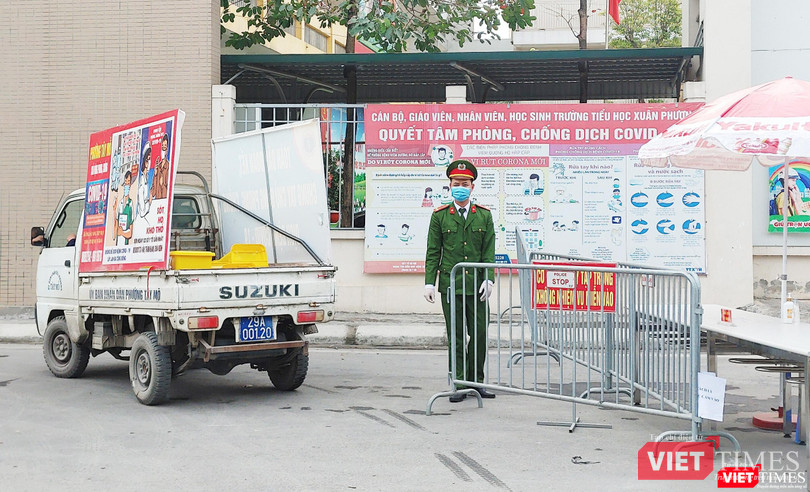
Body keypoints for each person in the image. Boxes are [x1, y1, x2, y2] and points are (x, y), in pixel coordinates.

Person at [424, 160, 496, 403]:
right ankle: (459, 383)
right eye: (457, 184)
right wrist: (429, 282)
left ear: (472, 187)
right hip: (450, 286)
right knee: (455, 335)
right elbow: (433, 251)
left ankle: (476, 382)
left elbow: (488, 252)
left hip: (476, 287)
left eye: (465, 184)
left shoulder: (484, 216)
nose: (461, 187)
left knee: (479, 334)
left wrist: (489, 280)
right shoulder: (440, 216)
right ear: (450, 186)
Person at [151, 133, 170, 200]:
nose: (164, 147)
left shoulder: (168, 166)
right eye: (162, 146)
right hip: (158, 197)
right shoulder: (158, 166)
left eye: (165, 145)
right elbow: (154, 185)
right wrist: (156, 173)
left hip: (164, 197)